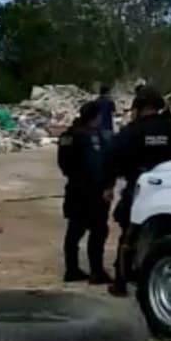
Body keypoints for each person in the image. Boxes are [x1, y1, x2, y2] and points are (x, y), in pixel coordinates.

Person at [105, 85, 171, 296]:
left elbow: (115, 159)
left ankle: (121, 282)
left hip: (139, 189)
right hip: (169, 189)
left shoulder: (132, 132)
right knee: (162, 235)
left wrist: (110, 185)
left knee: (129, 236)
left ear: (138, 107)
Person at [56, 101, 114, 284]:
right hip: (92, 191)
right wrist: (106, 186)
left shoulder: (67, 135)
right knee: (98, 230)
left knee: (74, 231)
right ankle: (96, 271)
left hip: (73, 188)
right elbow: (96, 164)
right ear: (96, 117)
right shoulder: (90, 137)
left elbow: (63, 164)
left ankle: (71, 269)